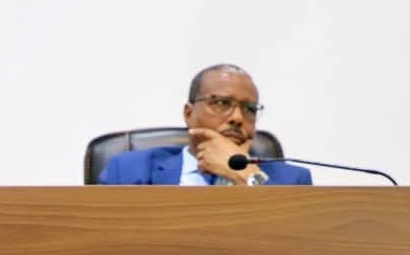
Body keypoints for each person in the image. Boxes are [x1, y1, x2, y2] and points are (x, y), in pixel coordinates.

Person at [97, 64, 312, 187]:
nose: (238, 117)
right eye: (222, 103)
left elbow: (297, 245)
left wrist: (247, 176)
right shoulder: (127, 170)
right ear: (189, 114)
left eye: (250, 108)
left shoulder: (293, 180)